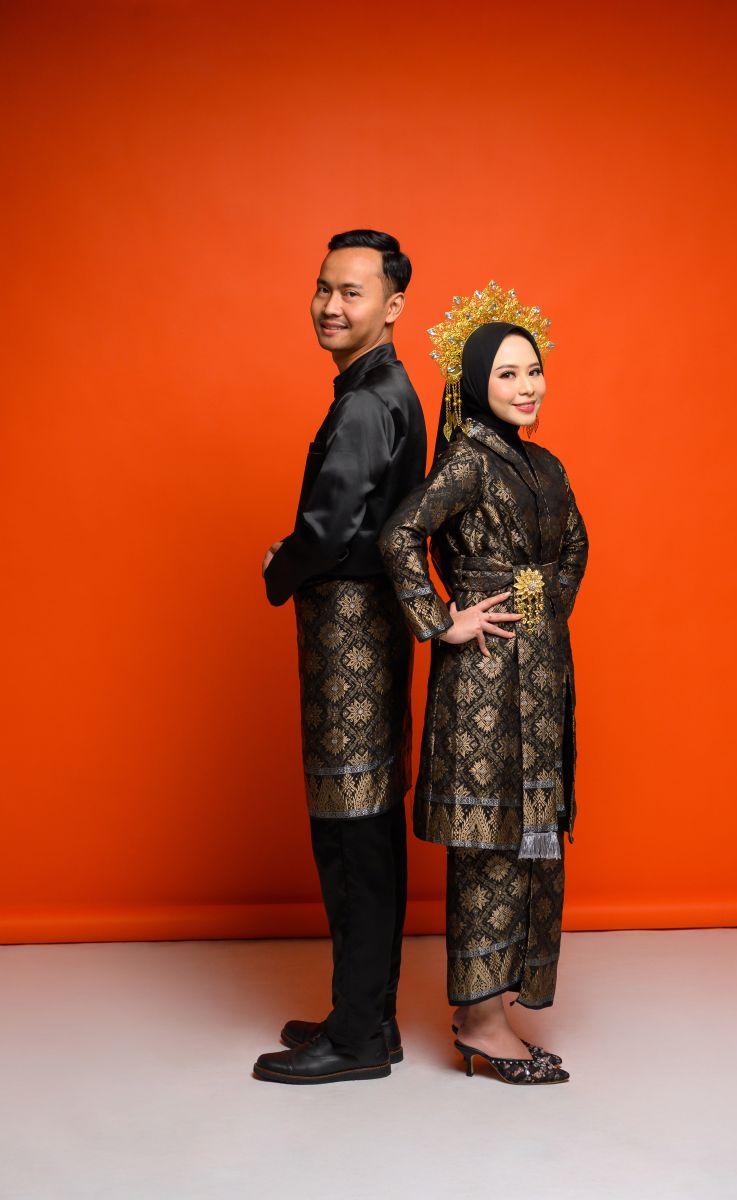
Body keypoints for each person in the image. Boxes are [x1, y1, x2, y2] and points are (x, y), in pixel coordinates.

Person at [379, 282, 588, 1084]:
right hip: (484, 683)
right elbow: (401, 534)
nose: (527, 386)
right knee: (488, 844)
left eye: (533, 370)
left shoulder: (544, 464)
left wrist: (540, 604)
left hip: (540, 672)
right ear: (472, 383)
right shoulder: (467, 460)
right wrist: (442, 620)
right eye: (506, 373)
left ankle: (494, 1010)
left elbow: (576, 546)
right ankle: (480, 1025)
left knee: (530, 839)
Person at [253, 230, 426, 1085]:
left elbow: (326, 531)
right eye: (323, 287)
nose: (330, 305)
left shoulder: (366, 402)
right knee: (368, 827)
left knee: (351, 835)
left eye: (351, 292)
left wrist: (277, 568)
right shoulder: (386, 387)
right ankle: (369, 1018)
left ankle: (357, 1036)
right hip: (372, 629)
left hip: (350, 633)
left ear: (393, 306)